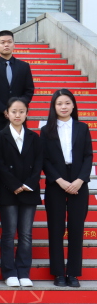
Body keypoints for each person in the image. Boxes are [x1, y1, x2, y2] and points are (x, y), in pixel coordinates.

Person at [41, 89, 92, 288]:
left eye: (67, 103)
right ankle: (58, 273)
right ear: (53, 107)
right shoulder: (46, 130)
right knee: (56, 227)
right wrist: (58, 180)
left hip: (79, 181)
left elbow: (88, 156)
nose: (63, 107)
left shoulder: (82, 127)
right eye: (59, 103)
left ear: (73, 105)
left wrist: (80, 180)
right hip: (56, 182)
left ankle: (73, 273)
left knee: (76, 228)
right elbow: (44, 159)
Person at [0, 97, 43, 288]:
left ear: (27, 114)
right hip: (8, 191)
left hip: (29, 190)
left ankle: (23, 271)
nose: (17, 115)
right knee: (8, 233)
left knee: (26, 234)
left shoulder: (34, 137)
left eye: (21, 111)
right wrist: (14, 184)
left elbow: (38, 163)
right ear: (7, 113)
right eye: (14, 111)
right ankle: (9, 272)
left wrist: (29, 183)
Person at [0, 30, 35, 133]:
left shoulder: (24, 66)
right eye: (2, 42)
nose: (6, 45)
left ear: (14, 44)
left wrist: (18, 107)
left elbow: (29, 90)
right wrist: (3, 109)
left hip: (18, 116)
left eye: (9, 42)